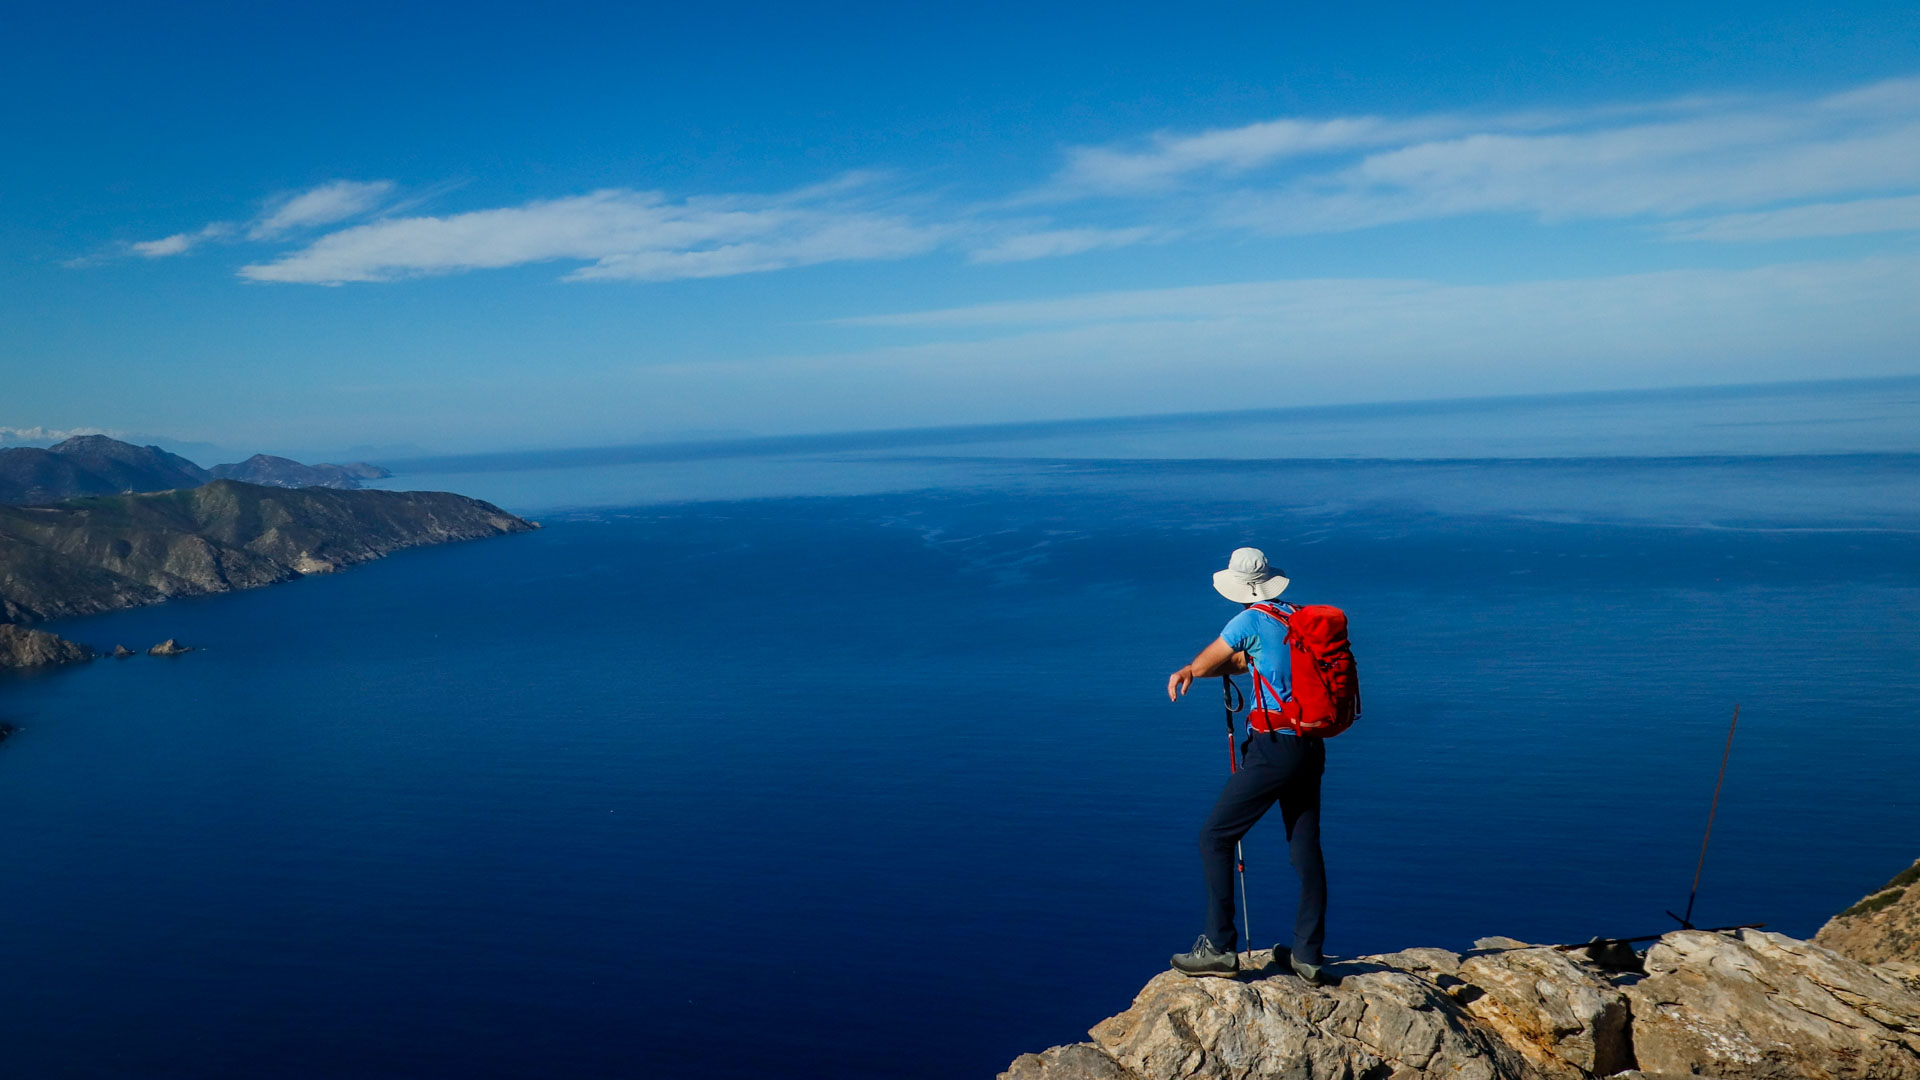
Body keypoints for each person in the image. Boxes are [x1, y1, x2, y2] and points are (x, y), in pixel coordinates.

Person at [1164, 546, 1328, 982]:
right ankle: (1308, 955)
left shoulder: (1250, 619)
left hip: (1273, 748)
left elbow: (1207, 662)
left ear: (1239, 588)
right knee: (1305, 847)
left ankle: (1218, 947)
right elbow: (1251, 660)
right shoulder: (1297, 616)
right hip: (1310, 745)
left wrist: (1187, 670)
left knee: (1215, 837)